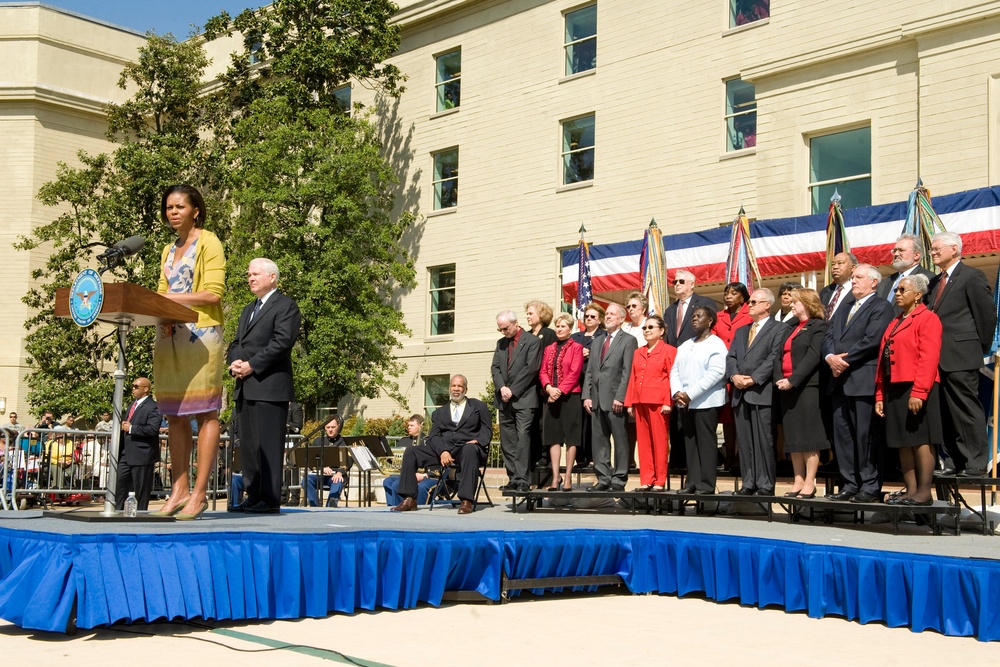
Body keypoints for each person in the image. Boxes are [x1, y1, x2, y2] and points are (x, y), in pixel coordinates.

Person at [152, 184, 225, 520]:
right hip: (169, 336)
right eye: (169, 207)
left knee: (205, 411)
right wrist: (160, 311)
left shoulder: (208, 241)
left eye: (179, 206)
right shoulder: (168, 249)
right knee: (174, 413)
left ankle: (199, 494)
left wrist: (169, 302)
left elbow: (212, 294)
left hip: (202, 334)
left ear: (196, 209)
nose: (173, 212)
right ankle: (178, 490)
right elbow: (159, 293)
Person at [228, 257, 302, 515]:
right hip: (245, 387)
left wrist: (251, 365)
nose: (250, 278)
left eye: (255, 274)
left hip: (270, 387)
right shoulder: (248, 309)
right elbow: (236, 342)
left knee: (267, 445)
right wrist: (234, 363)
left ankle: (269, 498)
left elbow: (281, 343)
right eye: (249, 274)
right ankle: (253, 494)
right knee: (248, 446)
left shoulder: (286, 306)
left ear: (272, 277)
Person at [822, 264, 895, 502]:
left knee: (866, 435)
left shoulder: (881, 306)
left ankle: (870, 486)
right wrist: (830, 358)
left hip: (862, 379)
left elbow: (873, 339)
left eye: (858, 277)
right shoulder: (844, 307)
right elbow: (829, 335)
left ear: (874, 282)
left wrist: (845, 360)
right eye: (852, 277)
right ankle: (849, 484)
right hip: (838, 380)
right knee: (842, 436)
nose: (853, 281)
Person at [927, 231, 997, 476]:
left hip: (962, 355)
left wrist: (978, 348)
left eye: (937, 248)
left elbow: (987, 316)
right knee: (945, 410)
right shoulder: (935, 283)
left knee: (966, 409)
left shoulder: (971, 276)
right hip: (936, 359)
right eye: (932, 249)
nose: (933, 252)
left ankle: (976, 463)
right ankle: (955, 460)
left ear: (954, 249)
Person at [874, 274, 943, 506]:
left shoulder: (928, 319)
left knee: (921, 440)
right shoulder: (895, 321)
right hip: (894, 387)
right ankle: (911, 490)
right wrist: (880, 395)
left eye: (903, 290)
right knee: (902, 441)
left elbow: (929, 358)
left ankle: (924, 492)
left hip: (916, 387)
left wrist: (920, 391)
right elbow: (883, 361)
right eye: (896, 290)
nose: (898, 293)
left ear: (918, 295)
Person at [392, 375, 493, 514]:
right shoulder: (440, 412)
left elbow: (487, 429)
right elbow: (434, 436)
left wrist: (478, 441)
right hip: (444, 451)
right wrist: (443, 451)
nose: (456, 389)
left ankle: (466, 501)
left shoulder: (478, 406)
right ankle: (409, 499)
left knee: (470, 449)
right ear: (449, 388)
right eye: (453, 386)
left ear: (466, 389)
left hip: (467, 450)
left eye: (460, 386)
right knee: (411, 452)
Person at [773, 289, 830, 498]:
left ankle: (809, 481)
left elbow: (813, 356)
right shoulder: (789, 327)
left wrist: (793, 380)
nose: (792, 305)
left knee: (810, 436)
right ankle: (797, 478)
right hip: (785, 387)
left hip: (807, 387)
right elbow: (779, 355)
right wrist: (779, 378)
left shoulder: (818, 326)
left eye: (796, 302)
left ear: (807, 304)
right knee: (793, 436)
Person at [727, 288, 784, 496]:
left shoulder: (779, 328)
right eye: (749, 302)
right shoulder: (742, 330)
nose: (749, 305)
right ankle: (748, 482)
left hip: (762, 391)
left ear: (767, 305)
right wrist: (734, 377)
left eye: (753, 302)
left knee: (764, 441)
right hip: (740, 393)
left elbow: (774, 357)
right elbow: (731, 357)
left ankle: (765, 485)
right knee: (745, 441)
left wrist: (753, 378)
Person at [670, 306, 727, 494]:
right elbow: (675, 370)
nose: (694, 319)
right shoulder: (686, 345)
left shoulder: (716, 344)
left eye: (699, 316)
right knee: (690, 443)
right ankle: (692, 482)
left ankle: (706, 484)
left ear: (710, 320)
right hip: (685, 403)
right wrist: (678, 392)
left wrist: (690, 394)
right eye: (693, 316)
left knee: (706, 444)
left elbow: (716, 373)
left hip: (706, 402)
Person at [582, 304, 637, 492]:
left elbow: (627, 371)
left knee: (620, 441)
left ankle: (619, 479)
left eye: (612, 314)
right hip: (596, 399)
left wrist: (621, 397)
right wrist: (587, 395)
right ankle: (603, 478)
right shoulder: (597, 341)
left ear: (622, 319)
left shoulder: (628, 341)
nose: (608, 317)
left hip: (615, 400)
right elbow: (590, 371)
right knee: (599, 441)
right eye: (607, 314)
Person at [491, 309, 543, 492]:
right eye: (500, 329)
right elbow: (495, 367)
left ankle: (523, 479)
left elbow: (531, 369)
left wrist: (512, 390)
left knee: (522, 438)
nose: (503, 332)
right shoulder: (501, 344)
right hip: (504, 400)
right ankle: (512, 476)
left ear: (515, 323)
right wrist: (501, 388)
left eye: (505, 328)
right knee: (508, 441)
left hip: (524, 399)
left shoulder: (532, 341)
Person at [625, 315, 676, 491]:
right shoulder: (638, 352)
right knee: (644, 442)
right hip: (640, 401)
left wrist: (668, 402)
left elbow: (672, 378)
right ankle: (647, 478)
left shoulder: (669, 351)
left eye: (651, 327)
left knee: (660, 442)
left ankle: (659, 480)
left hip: (658, 402)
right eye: (645, 328)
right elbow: (633, 377)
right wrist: (630, 402)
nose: (647, 330)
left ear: (661, 331)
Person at [539, 313, 585, 491]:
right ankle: (555, 477)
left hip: (570, 396)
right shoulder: (549, 348)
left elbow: (575, 372)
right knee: (553, 438)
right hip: (551, 395)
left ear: (570, 329)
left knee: (571, 437)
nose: (559, 329)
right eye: (557, 326)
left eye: (563, 326)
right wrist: (549, 388)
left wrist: (559, 391)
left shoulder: (577, 347)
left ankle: (567, 478)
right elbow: (542, 371)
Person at [713, 281, 752, 469]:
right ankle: (729, 457)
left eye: (734, 293)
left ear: (743, 297)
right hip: (722, 373)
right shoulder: (718, 316)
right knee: (727, 419)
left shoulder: (749, 314)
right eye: (726, 292)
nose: (728, 296)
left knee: (741, 418)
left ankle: (741, 457)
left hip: (743, 371)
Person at [115, 377, 161, 511]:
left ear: (146, 389)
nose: (133, 389)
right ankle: (119, 511)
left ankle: (140, 513)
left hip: (142, 454)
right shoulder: (132, 404)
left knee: (141, 489)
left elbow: (152, 429)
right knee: (121, 483)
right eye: (133, 386)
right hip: (126, 453)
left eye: (136, 386)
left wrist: (131, 428)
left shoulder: (154, 406)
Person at [571, 302, 606, 466]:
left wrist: (591, 353)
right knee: (577, 421)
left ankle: (593, 457)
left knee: (592, 422)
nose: (589, 319)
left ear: (600, 320)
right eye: (587, 316)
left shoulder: (604, 336)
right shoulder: (575, 337)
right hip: (575, 383)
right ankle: (580, 457)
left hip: (594, 384)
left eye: (593, 316)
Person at [525, 300, 556, 473]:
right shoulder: (527, 336)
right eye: (527, 314)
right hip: (529, 388)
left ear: (541, 315)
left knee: (544, 424)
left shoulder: (549, 334)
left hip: (544, 388)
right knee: (532, 425)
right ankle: (534, 457)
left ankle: (545, 458)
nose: (527, 316)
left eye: (531, 313)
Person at [382, 415, 437, 507]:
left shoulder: (427, 440)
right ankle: (393, 505)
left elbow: (434, 463)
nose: (409, 428)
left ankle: (411, 506)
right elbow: (398, 460)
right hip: (409, 474)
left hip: (423, 474)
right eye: (408, 425)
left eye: (412, 425)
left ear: (420, 426)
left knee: (397, 484)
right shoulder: (404, 441)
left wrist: (425, 475)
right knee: (388, 481)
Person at [875, 234, 934, 315]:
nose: (896, 254)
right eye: (895, 251)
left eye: (901, 250)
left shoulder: (928, 279)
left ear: (916, 255)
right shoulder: (886, 281)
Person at [301, 415, 350, 507]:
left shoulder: (345, 442)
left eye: (333, 427)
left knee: (337, 481)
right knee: (306, 480)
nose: (330, 430)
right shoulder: (318, 441)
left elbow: (348, 461)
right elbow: (311, 461)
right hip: (320, 474)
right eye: (328, 427)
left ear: (338, 427)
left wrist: (339, 473)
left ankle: (330, 507)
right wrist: (321, 468)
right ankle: (315, 505)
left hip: (336, 474)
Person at [663, 270, 716, 347]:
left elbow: (714, 329)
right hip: (674, 355)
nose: (677, 284)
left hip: (697, 351)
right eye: (675, 282)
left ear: (692, 285)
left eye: (681, 281)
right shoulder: (669, 310)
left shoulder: (705, 303)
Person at [820, 252, 857, 321]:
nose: (835, 267)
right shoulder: (825, 291)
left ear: (852, 268)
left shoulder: (858, 290)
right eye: (833, 264)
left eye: (840, 263)